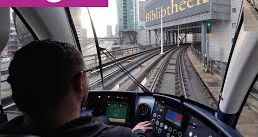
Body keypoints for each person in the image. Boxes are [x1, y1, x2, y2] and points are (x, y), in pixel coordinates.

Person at [0, 39, 152, 136]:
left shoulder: (6, 129)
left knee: (103, 118)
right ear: (79, 81)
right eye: (87, 73)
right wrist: (137, 131)